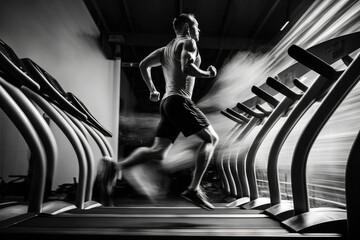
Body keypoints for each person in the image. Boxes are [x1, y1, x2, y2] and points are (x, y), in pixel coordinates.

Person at [98, 13, 219, 210]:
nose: (199, 31)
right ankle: (194, 189)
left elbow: (144, 65)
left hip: (166, 102)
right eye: (198, 27)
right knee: (211, 139)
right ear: (188, 27)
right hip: (180, 101)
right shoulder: (189, 42)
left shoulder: (165, 49)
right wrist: (208, 74)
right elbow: (187, 67)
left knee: (158, 152)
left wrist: (152, 89)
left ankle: (115, 167)